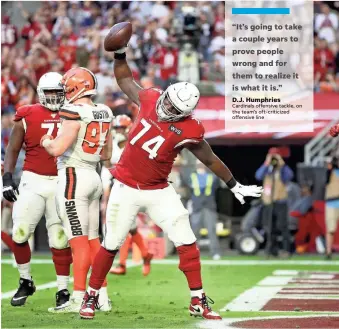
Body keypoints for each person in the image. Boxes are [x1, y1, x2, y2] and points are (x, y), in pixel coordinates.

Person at [79, 45, 263, 321]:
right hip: (126, 187)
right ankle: (91, 295)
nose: (165, 107)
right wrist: (119, 55)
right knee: (112, 244)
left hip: (158, 190)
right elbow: (124, 79)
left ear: (184, 114)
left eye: (173, 108)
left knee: (187, 241)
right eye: (166, 101)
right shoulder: (151, 98)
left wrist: (233, 184)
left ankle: (197, 299)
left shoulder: (190, 129)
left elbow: (210, 159)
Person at [41, 67, 114, 313]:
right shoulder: (105, 111)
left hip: (73, 177)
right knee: (94, 241)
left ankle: (80, 298)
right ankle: (101, 296)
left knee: (79, 243)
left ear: (76, 87)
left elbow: (57, 149)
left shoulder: (72, 111)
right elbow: (107, 154)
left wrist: (46, 141)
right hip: (94, 177)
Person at [2, 72, 73, 309]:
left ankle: (63, 289)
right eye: (49, 93)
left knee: (59, 238)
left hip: (61, 179)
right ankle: (25, 280)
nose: (54, 98)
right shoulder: (28, 113)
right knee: (20, 232)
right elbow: (13, 148)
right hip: (33, 179)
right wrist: (8, 177)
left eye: (57, 93)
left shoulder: (73, 112)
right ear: (41, 93)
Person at [105, 115, 153, 276]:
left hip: (131, 187)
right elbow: (106, 164)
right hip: (116, 185)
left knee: (124, 226)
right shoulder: (113, 145)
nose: (118, 131)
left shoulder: (136, 145)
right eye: (116, 128)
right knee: (130, 228)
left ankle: (122, 264)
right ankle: (146, 255)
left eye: (121, 128)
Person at [255, 148, 294, 257]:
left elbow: (289, 176)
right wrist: (266, 163)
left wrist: (282, 164)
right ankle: (272, 250)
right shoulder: (267, 169)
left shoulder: (282, 169)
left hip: (281, 201)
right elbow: (258, 175)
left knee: (283, 226)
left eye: (275, 156)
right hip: (268, 202)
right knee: (269, 227)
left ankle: (286, 250)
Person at [185, 160, 222, 260]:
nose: (200, 165)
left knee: (211, 230)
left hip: (209, 207)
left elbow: (218, 185)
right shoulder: (191, 176)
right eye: (198, 163)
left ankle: (215, 252)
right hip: (197, 207)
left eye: (202, 163)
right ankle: (193, 253)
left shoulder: (212, 177)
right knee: (194, 232)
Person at [324, 156, 339, 259]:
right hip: (332, 203)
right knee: (330, 229)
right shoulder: (330, 173)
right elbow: (326, 179)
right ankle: (328, 251)